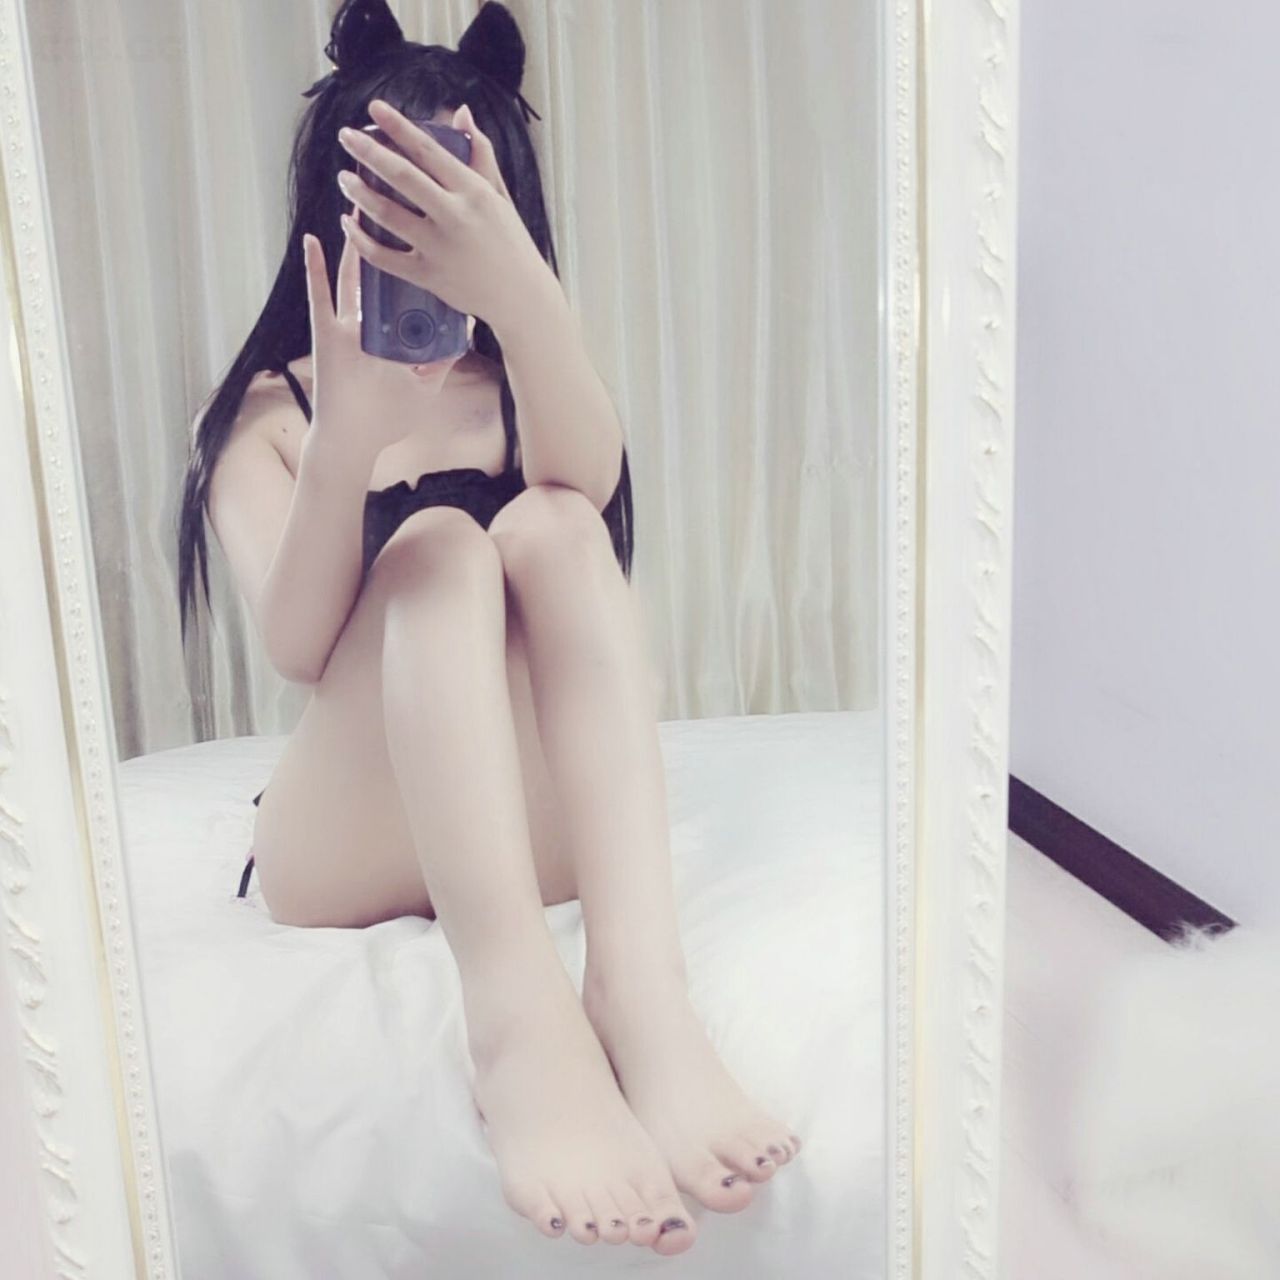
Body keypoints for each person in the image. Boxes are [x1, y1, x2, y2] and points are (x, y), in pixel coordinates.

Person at [176, 0, 800, 1257]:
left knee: (557, 528)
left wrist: (522, 302)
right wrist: (346, 440)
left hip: (523, 825)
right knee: (440, 550)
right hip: (344, 844)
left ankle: (639, 990)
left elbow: (590, 495)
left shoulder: (522, 381)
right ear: (337, 206)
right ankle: (516, 1022)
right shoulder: (272, 409)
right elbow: (297, 647)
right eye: (392, 200)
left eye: (454, 201)